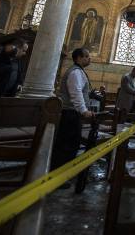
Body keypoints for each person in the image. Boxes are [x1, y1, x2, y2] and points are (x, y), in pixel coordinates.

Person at [51, 48, 94, 184]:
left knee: (71, 144)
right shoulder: (76, 72)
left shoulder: (78, 71)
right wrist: (84, 111)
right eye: (87, 56)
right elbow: (76, 93)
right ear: (79, 58)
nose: (89, 59)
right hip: (70, 114)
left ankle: (61, 175)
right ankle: (57, 178)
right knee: (66, 146)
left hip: (71, 113)